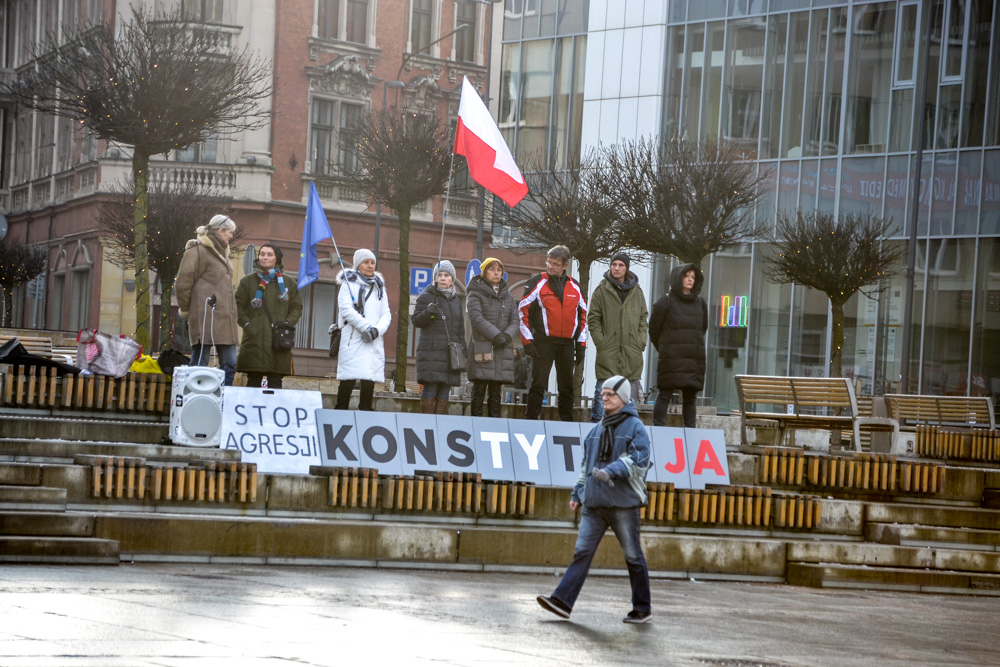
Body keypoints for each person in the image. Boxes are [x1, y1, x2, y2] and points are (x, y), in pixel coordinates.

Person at [537, 376, 652, 624]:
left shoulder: (636, 428)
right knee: (582, 553)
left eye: (610, 393)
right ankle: (562, 602)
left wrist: (612, 471)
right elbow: (584, 466)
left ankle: (642, 608)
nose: (605, 397)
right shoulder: (594, 431)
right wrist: (577, 493)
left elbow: (639, 460)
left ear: (623, 398)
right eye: (603, 393)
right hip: (593, 504)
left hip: (623, 504)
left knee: (633, 556)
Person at [519, 245, 588, 422]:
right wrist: (527, 341)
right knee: (538, 384)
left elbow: (583, 317)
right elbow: (522, 311)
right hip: (544, 342)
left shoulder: (575, 286)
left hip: (567, 344)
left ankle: (567, 423)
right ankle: (531, 420)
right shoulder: (537, 282)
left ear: (565, 265)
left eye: (556, 264)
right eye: (549, 263)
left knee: (567, 387)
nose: (551, 267)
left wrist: (581, 345)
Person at [174, 214, 239, 386]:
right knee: (199, 364)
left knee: (230, 364)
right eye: (230, 232)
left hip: (225, 319)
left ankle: (222, 401)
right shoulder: (197, 250)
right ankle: (192, 400)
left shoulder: (223, 252)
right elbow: (183, 284)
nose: (232, 236)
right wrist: (187, 311)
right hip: (204, 316)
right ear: (220, 231)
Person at [588, 252, 648, 422]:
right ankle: (596, 430)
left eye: (621, 265)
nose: (617, 268)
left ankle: (625, 432)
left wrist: (640, 341)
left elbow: (643, 317)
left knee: (629, 398)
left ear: (626, 268)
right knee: (602, 395)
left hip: (631, 352)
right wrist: (602, 342)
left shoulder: (637, 292)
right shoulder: (601, 290)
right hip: (609, 351)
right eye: (614, 265)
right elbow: (593, 318)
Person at [234, 243, 303, 389]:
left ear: (276, 258)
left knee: (275, 382)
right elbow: (237, 307)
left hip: (278, 341)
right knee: (253, 381)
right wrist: (247, 324)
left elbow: (297, 307)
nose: (265, 257)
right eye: (262, 254)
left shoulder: (288, 282)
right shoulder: (247, 281)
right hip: (254, 340)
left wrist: (287, 324)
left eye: (269, 254)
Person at [648, 263, 708, 428]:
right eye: (686, 276)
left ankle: (690, 434)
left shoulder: (700, 303)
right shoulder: (665, 301)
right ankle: (658, 430)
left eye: (693, 277)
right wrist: (666, 349)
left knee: (690, 399)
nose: (690, 279)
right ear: (678, 278)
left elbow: (702, 328)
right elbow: (653, 330)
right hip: (671, 358)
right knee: (665, 394)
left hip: (692, 359)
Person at [333, 249, 391, 411]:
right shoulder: (348, 284)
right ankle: (341, 409)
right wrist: (366, 328)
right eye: (366, 262)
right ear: (358, 264)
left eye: (372, 262)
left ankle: (366, 409)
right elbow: (346, 309)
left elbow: (386, 313)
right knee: (348, 376)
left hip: (373, 338)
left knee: (369, 378)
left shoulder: (380, 287)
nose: (370, 265)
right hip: (353, 337)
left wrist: (376, 331)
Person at [466, 257, 519, 417]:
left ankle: (493, 424)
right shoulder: (475, 294)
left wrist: (507, 336)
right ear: (484, 272)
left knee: (496, 391)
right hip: (483, 346)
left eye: (499, 270)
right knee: (479, 388)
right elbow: (476, 318)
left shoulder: (508, 297)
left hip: (502, 348)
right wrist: (496, 336)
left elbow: (515, 320)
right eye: (492, 269)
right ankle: (475, 423)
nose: (496, 273)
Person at [412, 260, 466, 414]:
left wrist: (463, 349)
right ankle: (427, 423)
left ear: (452, 279)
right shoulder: (426, 297)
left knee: (444, 390)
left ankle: (439, 424)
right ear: (435, 278)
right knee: (430, 388)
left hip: (450, 354)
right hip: (431, 352)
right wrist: (428, 312)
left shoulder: (456, 301)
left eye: (446, 275)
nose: (443, 278)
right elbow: (416, 321)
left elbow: (460, 328)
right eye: (439, 275)